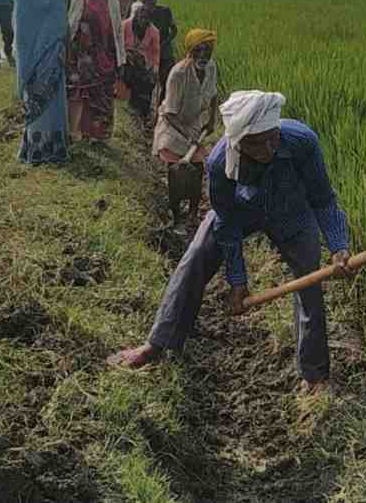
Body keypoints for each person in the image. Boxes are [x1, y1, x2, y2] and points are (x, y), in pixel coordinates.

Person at [109, 91, 353, 392]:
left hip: (292, 212)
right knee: (196, 255)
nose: (268, 148)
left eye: (272, 138)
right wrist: (238, 281)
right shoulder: (220, 161)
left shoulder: (302, 142)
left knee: (308, 279)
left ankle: (314, 375)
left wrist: (340, 247)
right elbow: (227, 225)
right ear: (239, 141)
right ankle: (157, 344)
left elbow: (324, 200)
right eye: (257, 142)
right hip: (240, 210)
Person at [152, 29, 219, 229]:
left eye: (206, 52)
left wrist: (212, 120)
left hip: (195, 125)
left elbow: (214, 94)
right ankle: (176, 216)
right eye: (197, 51)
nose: (202, 56)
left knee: (197, 171)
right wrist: (188, 136)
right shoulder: (178, 74)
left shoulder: (211, 67)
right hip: (173, 127)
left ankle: (192, 215)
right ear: (189, 51)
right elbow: (169, 113)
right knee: (176, 173)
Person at [13, 0, 70, 164]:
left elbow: (63, 22)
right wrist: (31, 56)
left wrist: (66, 46)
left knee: (55, 102)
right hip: (36, 57)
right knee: (38, 100)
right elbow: (23, 30)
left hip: (56, 54)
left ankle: (54, 149)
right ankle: (36, 150)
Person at [67, 0, 124, 142]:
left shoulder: (112, 0)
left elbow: (117, 30)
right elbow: (68, 23)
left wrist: (120, 59)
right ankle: (75, 133)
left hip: (104, 56)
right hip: (79, 55)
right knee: (78, 93)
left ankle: (99, 136)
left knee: (103, 95)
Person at [116, 3, 160, 118]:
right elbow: (118, 44)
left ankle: (141, 114)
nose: (143, 20)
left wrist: (154, 68)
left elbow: (155, 52)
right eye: (141, 17)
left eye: (146, 19)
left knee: (147, 84)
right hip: (124, 61)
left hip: (142, 65)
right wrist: (125, 55)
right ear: (136, 16)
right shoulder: (125, 25)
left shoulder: (153, 31)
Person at [140, 0, 178, 108]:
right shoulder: (140, 14)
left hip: (165, 52)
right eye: (146, 4)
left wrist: (165, 43)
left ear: (155, 4)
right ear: (143, 4)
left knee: (167, 81)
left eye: (151, 4)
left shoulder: (165, 11)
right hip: (149, 54)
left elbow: (174, 30)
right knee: (147, 84)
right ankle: (145, 111)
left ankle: (161, 107)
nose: (149, 7)